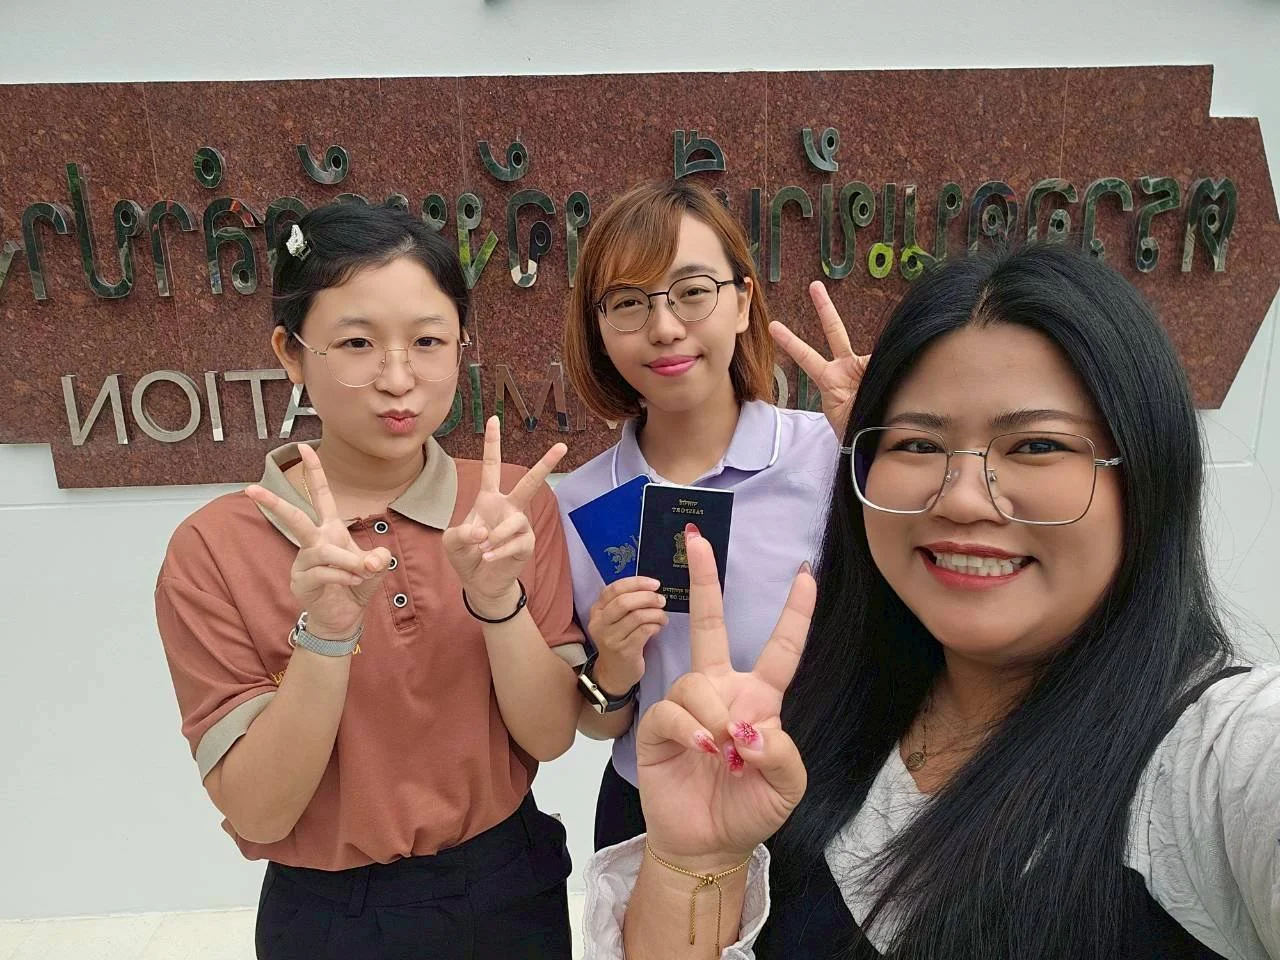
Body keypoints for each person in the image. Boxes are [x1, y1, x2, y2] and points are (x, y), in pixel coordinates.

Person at [583, 242, 1280, 959]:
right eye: (918, 446)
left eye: (1037, 446)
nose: (963, 498)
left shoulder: (1220, 764)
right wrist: (698, 861)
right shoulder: (818, 726)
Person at [155, 201, 585, 960]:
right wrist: (324, 637)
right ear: (292, 353)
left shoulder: (509, 507)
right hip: (332, 918)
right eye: (357, 342)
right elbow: (259, 809)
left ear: (459, 345)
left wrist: (496, 600)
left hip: (507, 887)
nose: (398, 378)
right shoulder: (213, 548)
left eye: (427, 341)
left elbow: (549, 736)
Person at [555, 179, 867, 850]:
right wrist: (612, 661)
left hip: (819, 807)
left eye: (693, 292)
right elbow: (601, 720)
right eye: (629, 303)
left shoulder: (828, 452)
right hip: (656, 808)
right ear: (600, 330)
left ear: (742, 302)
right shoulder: (580, 503)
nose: (665, 327)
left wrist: (893, 441)